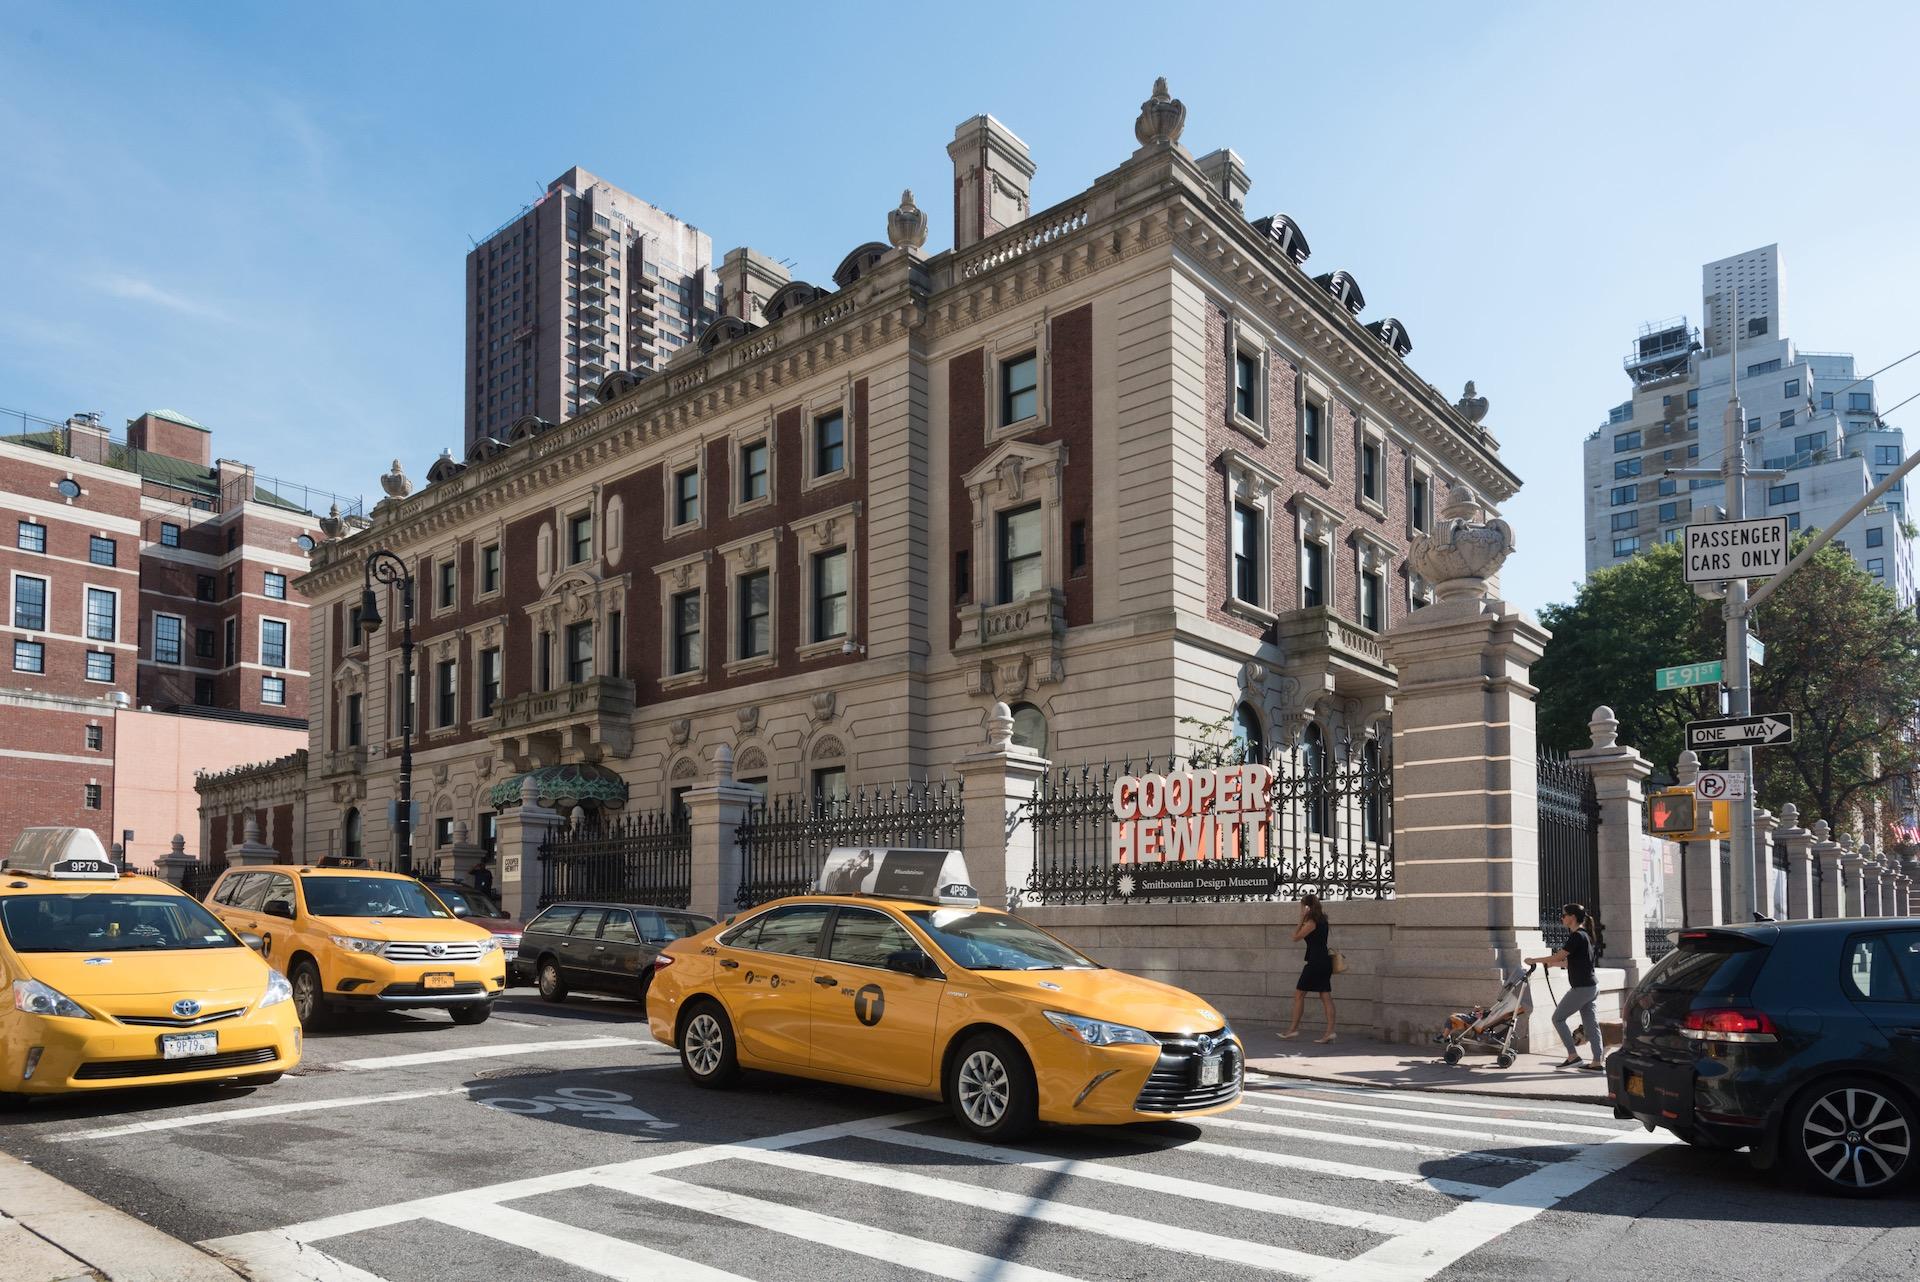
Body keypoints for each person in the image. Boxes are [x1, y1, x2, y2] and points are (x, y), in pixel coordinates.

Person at [1526, 903, 1606, 1071]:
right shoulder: (1585, 936)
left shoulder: (1577, 936)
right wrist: (1554, 965)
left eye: (1564, 915)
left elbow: (1559, 956)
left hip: (1582, 988)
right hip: (1591, 986)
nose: (1561, 918)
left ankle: (1573, 1056)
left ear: (1572, 917)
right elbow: (1574, 962)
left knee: (1558, 1018)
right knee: (1591, 1026)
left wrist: (1535, 960)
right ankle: (1597, 1062)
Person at [1279, 894, 1336, 1044]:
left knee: (1299, 994)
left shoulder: (1311, 922)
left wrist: (1301, 919)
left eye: (1302, 906)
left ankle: (1292, 1029)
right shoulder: (1323, 920)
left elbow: (1295, 937)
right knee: (1325, 996)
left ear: (1307, 907)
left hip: (1315, 962)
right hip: (1324, 961)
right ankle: (1329, 1032)